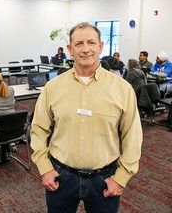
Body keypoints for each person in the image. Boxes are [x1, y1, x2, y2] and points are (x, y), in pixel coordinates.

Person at [30, 22, 143, 213]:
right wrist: (45, 168)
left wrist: (121, 177)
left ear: (100, 47)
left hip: (105, 179)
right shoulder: (53, 87)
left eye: (91, 42)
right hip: (60, 177)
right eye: (78, 44)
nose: (85, 49)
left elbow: (133, 137)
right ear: (70, 49)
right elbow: (38, 129)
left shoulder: (122, 89)